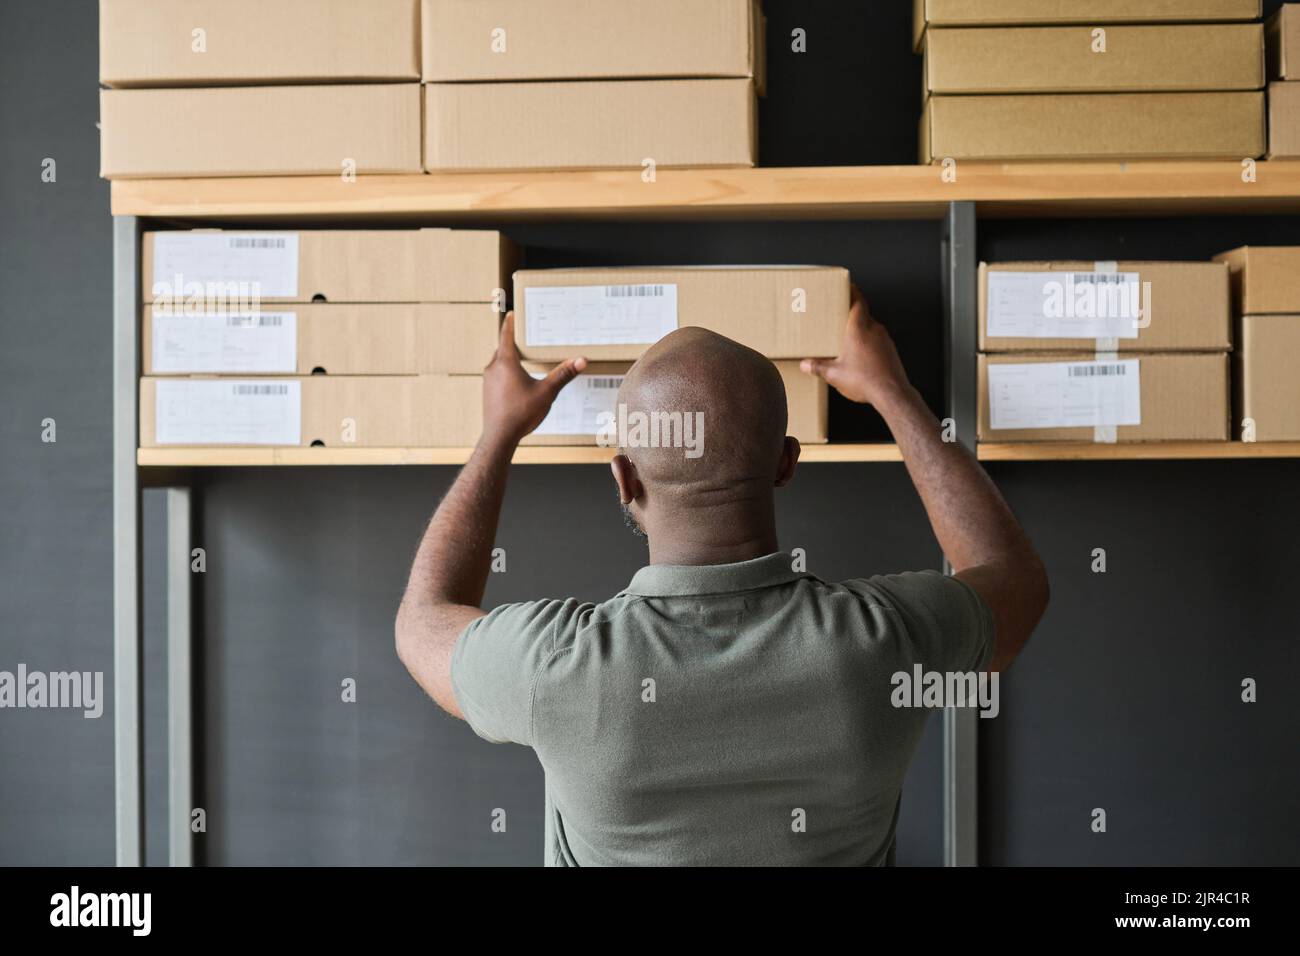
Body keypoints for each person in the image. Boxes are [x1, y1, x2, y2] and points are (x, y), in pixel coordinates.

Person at [396, 289, 1049, 865]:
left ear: (624, 480)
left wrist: (500, 432)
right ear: (787, 464)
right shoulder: (884, 641)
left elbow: (425, 617)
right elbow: (1012, 578)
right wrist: (893, 394)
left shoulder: (553, 664)